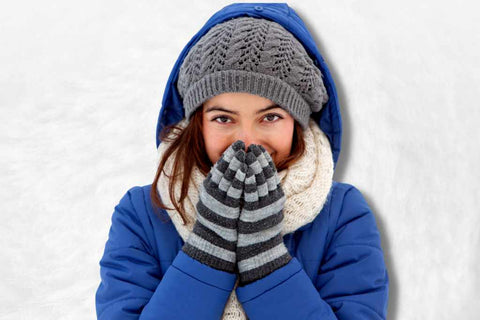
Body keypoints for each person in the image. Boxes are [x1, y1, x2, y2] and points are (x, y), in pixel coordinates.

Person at [95, 3, 389, 320]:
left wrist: (267, 263)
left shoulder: (343, 214)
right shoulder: (143, 214)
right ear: (197, 124)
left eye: (271, 117)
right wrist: (207, 253)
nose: (246, 141)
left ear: (298, 122)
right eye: (223, 118)